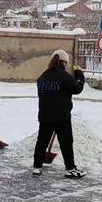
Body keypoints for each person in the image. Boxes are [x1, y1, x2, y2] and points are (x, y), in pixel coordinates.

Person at [32, 49, 86, 179]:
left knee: (41, 142)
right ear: (63, 62)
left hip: (45, 115)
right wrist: (79, 75)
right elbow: (77, 89)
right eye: (66, 63)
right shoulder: (64, 76)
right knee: (66, 142)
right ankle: (70, 169)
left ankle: (37, 168)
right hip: (62, 116)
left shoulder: (42, 77)